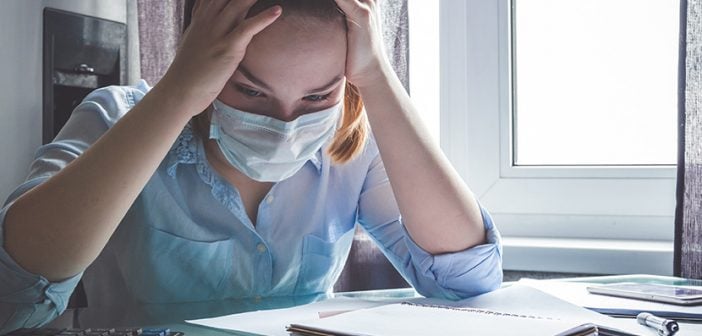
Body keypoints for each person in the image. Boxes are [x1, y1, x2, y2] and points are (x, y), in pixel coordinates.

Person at [0, 0, 502, 332]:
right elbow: (16, 294)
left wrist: (378, 78)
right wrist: (178, 93)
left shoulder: (354, 146)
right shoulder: (115, 117)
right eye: (249, 90)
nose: (284, 126)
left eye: (317, 95)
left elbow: (466, 278)